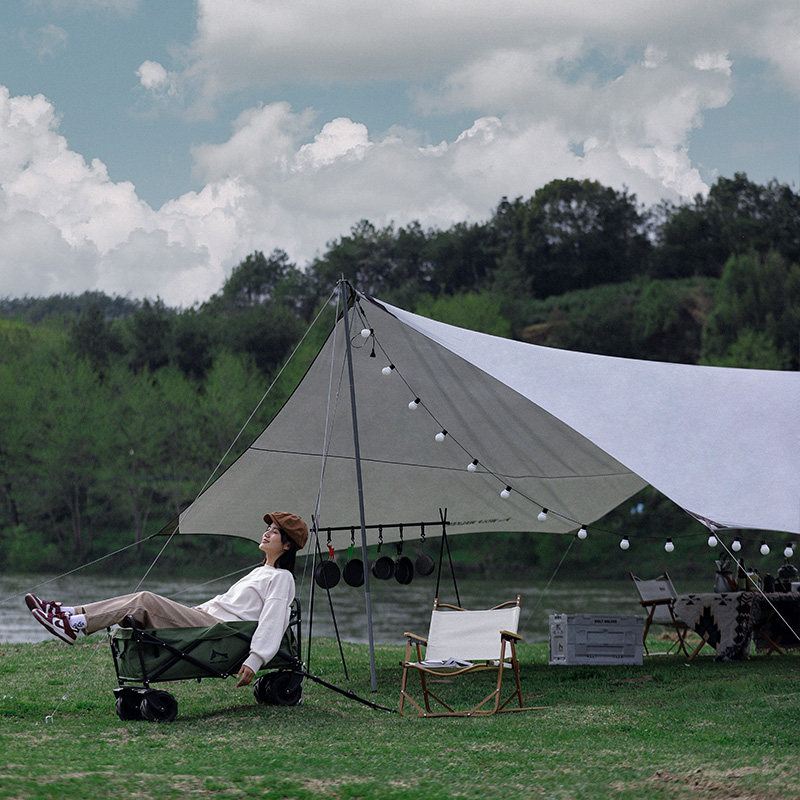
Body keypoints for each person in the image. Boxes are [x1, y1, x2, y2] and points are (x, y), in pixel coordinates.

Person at [25, 512, 308, 688]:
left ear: (286, 545)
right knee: (134, 608)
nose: (266, 532)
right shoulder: (260, 571)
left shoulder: (282, 579)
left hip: (216, 629)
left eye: (274, 531)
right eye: (267, 527)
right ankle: (66, 614)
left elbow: (274, 619)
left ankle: (74, 622)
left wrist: (256, 660)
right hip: (203, 618)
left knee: (143, 600)